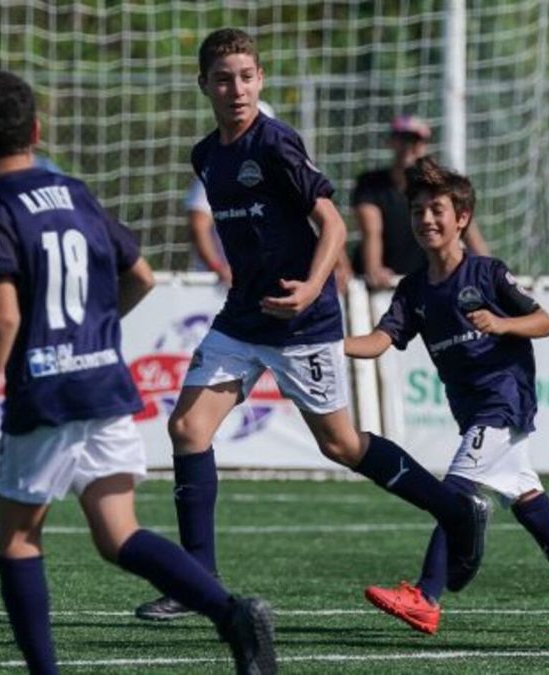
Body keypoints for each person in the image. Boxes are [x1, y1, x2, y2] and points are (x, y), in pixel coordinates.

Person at [134, 28, 489, 622]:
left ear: (261, 80)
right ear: (204, 86)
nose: (237, 89)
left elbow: (328, 223)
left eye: (247, 77)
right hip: (245, 317)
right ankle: (197, 581)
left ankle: (455, 510)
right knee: (188, 429)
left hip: (302, 320)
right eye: (224, 79)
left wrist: (309, 289)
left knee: (342, 445)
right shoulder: (207, 155)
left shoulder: (276, 144)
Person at [0, 71, 276, 675]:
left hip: (46, 391)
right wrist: (93, 330)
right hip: (102, 382)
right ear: (37, 130)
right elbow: (141, 275)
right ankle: (231, 615)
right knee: (118, 534)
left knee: (18, 537)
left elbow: (4, 319)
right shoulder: (75, 192)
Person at [345, 156, 549, 636]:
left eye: (437, 210)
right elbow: (380, 341)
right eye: (418, 211)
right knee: (532, 505)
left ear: (461, 219)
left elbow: (544, 322)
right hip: (472, 413)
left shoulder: (487, 274)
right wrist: (331, 345)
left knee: (456, 494)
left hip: (502, 403)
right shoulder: (413, 291)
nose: (426, 219)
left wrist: (503, 323)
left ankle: (426, 596)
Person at [188, 101, 353, 288]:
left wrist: (337, 264)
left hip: (281, 282)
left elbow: (327, 221)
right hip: (226, 285)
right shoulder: (214, 167)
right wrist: (219, 268)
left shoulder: (285, 167)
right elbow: (198, 225)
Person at [351, 115, 490, 290]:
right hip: (380, 286)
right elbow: (371, 231)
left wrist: (489, 271)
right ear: (391, 142)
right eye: (403, 139)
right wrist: (374, 269)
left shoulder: (441, 187)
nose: (408, 147)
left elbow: (468, 229)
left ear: (425, 146)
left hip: (425, 284)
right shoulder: (370, 184)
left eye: (415, 141)